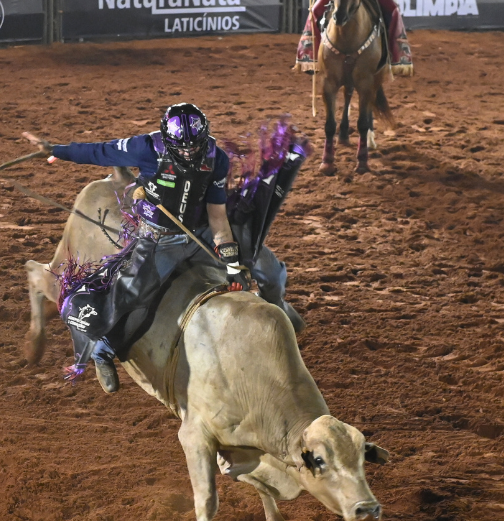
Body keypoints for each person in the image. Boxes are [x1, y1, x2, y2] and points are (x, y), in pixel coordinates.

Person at [31, 103, 304, 394]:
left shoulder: (216, 160)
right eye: (182, 148)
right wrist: (57, 150)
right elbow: (100, 151)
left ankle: (277, 301)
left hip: (201, 231)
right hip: (160, 239)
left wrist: (233, 265)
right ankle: (103, 349)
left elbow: (218, 217)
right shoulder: (146, 148)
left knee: (265, 265)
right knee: (133, 292)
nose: (188, 153)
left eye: (194, 147)